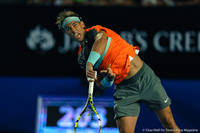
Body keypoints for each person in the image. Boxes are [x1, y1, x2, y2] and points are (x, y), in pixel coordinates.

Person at [56, 10, 181, 133]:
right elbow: (100, 84)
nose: (73, 30)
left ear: (82, 24)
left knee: (169, 123)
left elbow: (101, 42)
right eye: (68, 29)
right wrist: (109, 79)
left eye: (75, 25)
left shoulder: (96, 31)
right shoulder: (82, 58)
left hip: (145, 78)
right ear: (67, 34)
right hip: (125, 89)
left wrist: (90, 63)